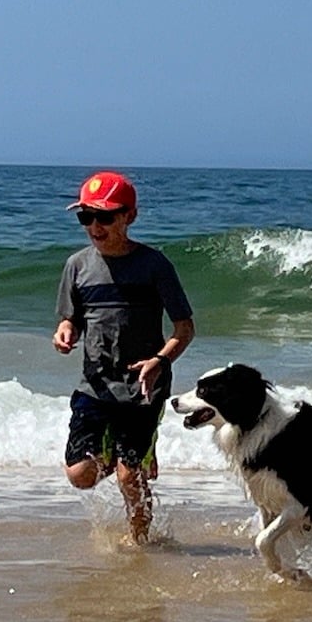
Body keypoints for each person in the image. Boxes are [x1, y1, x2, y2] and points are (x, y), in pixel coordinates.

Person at [53, 171, 195, 544]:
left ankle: (139, 543)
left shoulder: (154, 265)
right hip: (96, 386)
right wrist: (66, 330)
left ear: (129, 216)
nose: (94, 226)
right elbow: (73, 318)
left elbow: (184, 329)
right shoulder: (77, 266)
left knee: (128, 478)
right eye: (86, 217)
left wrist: (161, 361)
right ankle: (126, 457)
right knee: (80, 476)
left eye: (104, 217)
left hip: (143, 388)